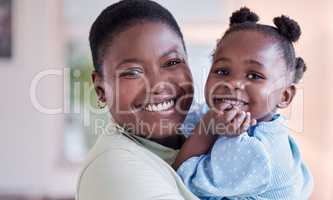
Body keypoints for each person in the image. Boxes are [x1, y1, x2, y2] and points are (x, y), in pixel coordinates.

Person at [173, 7, 313, 200]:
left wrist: (207, 126)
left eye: (254, 76)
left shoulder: (256, 152)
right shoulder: (263, 121)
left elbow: (181, 182)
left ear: (284, 96)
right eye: (222, 71)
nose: (232, 84)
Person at [76, 0, 199, 199]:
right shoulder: (113, 167)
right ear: (101, 89)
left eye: (172, 62)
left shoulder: (205, 131)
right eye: (132, 72)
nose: (158, 85)